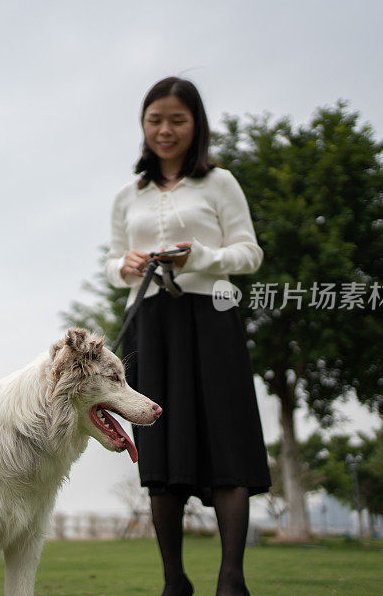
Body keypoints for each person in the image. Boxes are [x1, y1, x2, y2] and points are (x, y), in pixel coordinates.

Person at [105, 77, 271, 596]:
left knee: (226, 437)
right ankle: (174, 581)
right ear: (143, 125)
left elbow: (249, 253)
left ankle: (231, 580)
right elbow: (113, 263)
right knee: (160, 443)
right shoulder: (128, 195)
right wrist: (125, 265)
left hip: (212, 316)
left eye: (177, 119)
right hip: (151, 324)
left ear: (195, 123)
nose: (165, 130)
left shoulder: (219, 182)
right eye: (155, 120)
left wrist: (201, 256)